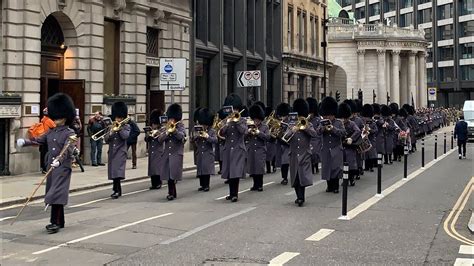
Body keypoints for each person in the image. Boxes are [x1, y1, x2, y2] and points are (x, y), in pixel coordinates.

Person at [17, 93, 77, 234]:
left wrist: (59, 161)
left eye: (59, 117)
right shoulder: (51, 132)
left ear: (65, 117)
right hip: (51, 166)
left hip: (62, 168)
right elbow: (38, 140)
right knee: (55, 192)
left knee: (55, 193)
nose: (56, 120)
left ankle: (54, 222)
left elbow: (68, 149)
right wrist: (24, 142)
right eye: (55, 117)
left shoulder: (69, 133)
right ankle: (60, 221)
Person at [219, 93, 247, 202]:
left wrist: (236, 122)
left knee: (235, 172)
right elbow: (221, 133)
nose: (234, 111)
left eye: (235, 109)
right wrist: (227, 124)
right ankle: (231, 194)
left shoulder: (242, 120)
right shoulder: (226, 120)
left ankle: (235, 194)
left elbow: (243, 132)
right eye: (232, 109)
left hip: (238, 149)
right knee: (230, 173)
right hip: (228, 149)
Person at [288, 99, 317, 206]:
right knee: (295, 177)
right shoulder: (290, 124)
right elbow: (284, 137)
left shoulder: (308, 124)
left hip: (305, 153)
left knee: (303, 176)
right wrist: (292, 130)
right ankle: (298, 196)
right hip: (294, 153)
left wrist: (305, 128)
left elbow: (314, 134)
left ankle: (301, 197)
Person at [158, 103, 186, 200]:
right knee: (168, 175)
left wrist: (174, 131)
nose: (171, 120)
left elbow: (181, 137)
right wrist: (167, 132)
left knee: (173, 175)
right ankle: (171, 193)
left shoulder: (180, 126)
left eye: (172, 119)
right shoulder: (166, 127)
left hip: (176, 153)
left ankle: (172, 193)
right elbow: (160, 139)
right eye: (170, 119)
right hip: (167, 154)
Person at [318, 97, 346, 193]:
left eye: (330, 115)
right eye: (326, 115)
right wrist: (323, 129)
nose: (328, 117)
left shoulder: (339, 123)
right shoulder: (322, 123)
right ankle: (329, 186)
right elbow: (317, 132)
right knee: (327, 168)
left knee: (336, 168)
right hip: (326, 148)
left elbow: (343, 133)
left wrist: (333, 129)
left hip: (336, 148)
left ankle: (336, 186)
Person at [105, 102, 131, 199]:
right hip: (112, 151)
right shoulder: (111, 126)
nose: (118, 119)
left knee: (117, 171)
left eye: (119, 118)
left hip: (120, 151)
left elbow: (125, 136)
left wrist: (119, 129)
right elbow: (106, 139)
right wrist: (111, 132)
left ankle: (117, 190)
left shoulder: (126, 126)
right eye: (116, 117)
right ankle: (115, 189)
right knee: (113, 171)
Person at [192, 108, 217, 192]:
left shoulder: (212, 131)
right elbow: (193, 139)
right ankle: (202, 185)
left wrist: (207, 137)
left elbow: (215, 140)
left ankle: (206, 185)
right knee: (200, 170)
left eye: (205, 124)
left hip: (208, 153)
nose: (203, 126)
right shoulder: (198, 130)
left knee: (206, 170)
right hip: (200, 152)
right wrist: (197, 136)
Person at [247, 104, 270, 192]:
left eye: (257, 119)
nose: (256, 121)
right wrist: (248, 132)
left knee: (259, 168)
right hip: (252, 149)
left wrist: (259, 133)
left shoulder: (265, 127)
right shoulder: (250, 126)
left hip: (260, 149)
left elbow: (267, 137)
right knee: (253, 168)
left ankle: (260, 185)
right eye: (254, 119)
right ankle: (255, 185)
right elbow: (244, 137)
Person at [339, 102, 361, 187]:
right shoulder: (339, 123)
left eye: (345, 118)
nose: (343, 120)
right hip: (341, 146)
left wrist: (351, 138)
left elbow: (357, 131)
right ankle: (345, 180)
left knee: (350, 164)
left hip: (350, 146)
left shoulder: (352, 123)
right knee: (342, 164)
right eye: (342, 118)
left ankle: (351, 179)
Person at [144, 109, 164, 190]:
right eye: (153, 124)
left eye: (155, 124)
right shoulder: (151, 129)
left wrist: (157, 134)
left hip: (159, 150)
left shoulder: (162, 129)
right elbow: (146, 140)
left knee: (157, 167)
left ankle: (159, 182)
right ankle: (153, 183)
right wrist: (148, 135)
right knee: (152, 168)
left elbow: (161, 140)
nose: (153, 125)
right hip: (152, 150)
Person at [275, 102, 291, 185]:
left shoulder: (290, 122)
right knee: (282, 162)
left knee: (285, 162)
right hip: (280, 144)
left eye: (283, 116)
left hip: (287, 145)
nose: (282, 118)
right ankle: (284, 177)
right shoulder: (278, 122)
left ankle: (285, 178)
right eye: (281, 116)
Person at [361, 104, 378, 172]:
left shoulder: (372, 122)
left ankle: (370, 167)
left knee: (370, 154)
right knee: (366, 154)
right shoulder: (363, 121)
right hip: (365, 139)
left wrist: (370, 130)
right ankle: (367, 167)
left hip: (371, 139)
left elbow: (375, 130)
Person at [39, 108, 56, 173]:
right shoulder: (49, 120)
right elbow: (55, 127)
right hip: (48, 139)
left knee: (43, 153)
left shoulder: (43, 119)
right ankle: (46, 168)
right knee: (48, 154)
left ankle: (43, 168)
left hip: (43, 138)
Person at [307, 97, 321, 174]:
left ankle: (316, 166)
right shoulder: (306, 120)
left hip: (316, 139)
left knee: (315, 154)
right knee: (310, 155)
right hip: (309, 139)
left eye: (311, 113)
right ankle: (312, 168)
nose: (310, 114)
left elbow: (318, 130)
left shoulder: (318, 119)